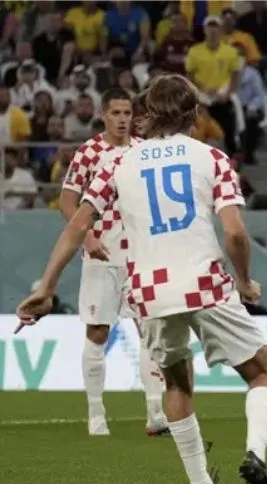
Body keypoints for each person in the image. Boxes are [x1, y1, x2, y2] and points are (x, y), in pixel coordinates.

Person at [15, 74, 267, 484]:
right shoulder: (211, 157)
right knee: (262, 373)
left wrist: (46, 287)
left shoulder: (117, 163)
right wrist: (243, 279)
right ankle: (255, 454)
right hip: (205, 284)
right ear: (192, 113)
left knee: (177, 383)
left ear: (146, 112)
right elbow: (234, 231)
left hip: (149, 292)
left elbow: (77, 225)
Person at [57, 87, 167, 437]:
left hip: (139, 257)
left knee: (150, 333)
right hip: (101, 255)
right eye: (116, 113)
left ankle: (155, 413)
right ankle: (96, 413)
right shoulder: (89, 152)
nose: (122, 119)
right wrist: (86, 235)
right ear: (104, 114)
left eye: (127, 113)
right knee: (98, 331)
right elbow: (66, 201)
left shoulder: (143, 151)